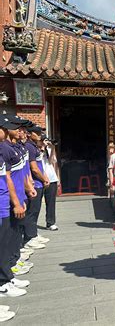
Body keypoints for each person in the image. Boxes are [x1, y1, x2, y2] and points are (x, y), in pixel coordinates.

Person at [0, 115, 29, 304]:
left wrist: (20, 198)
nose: (21, 131)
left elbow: (10, 177)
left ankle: (7, 273)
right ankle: (4, 279)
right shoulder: (4, 148)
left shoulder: (10, 148)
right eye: (15, 127)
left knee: (9, 237)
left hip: (7, 202)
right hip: (5, 203)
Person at [42, 136, 60, 231]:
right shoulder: (34, 149)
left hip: (51, 177)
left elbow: (52, 161)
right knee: (35, 205)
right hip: (39, 179)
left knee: (51, 202)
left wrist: (52, 148)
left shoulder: (48, 149)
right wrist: (41, 148)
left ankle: (50, 222)